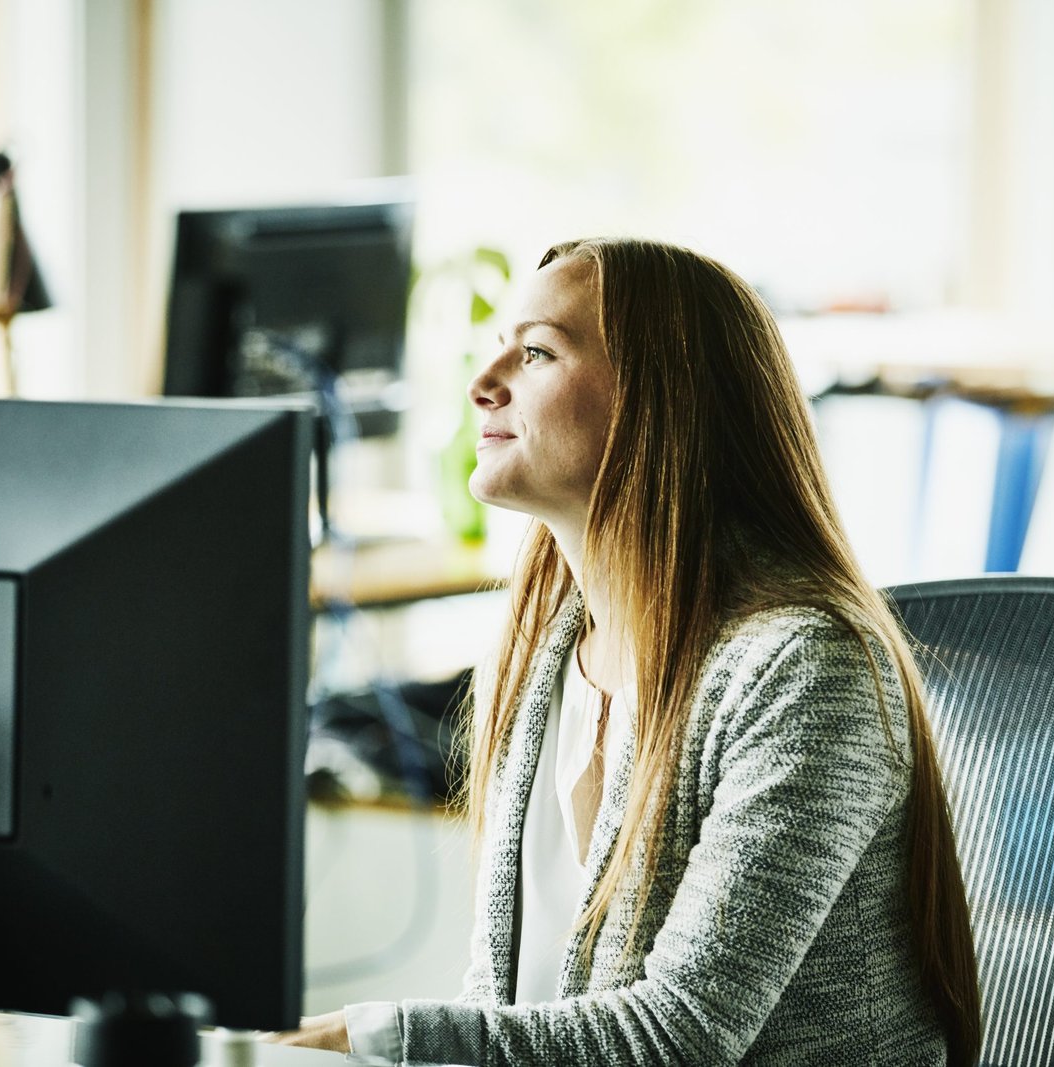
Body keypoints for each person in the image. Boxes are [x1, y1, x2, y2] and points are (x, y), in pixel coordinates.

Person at [267, 238, 981, 1064]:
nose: (483, 381)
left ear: (660, 400)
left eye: (537, 352)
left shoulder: (805, 670)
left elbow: (679, 1036)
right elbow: (505, 999)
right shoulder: (542, 649)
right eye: (499, 346)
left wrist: (372, 1039)